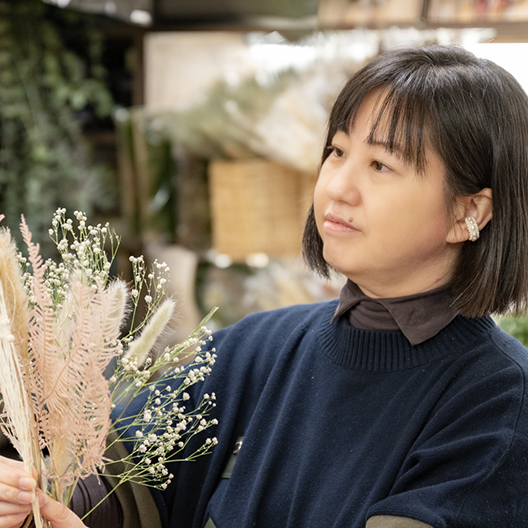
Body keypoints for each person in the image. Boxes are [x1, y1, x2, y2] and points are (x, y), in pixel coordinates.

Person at [2, 43, 528, 528]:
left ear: (469, 213)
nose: (337, 186)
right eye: (338, 152)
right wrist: (39, 500)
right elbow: (120, 486)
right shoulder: (254, 348)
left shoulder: (498, 399)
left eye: (381, 165)